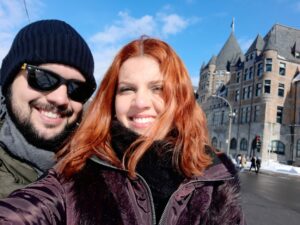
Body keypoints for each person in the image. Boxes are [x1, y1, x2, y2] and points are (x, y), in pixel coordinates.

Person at [0, 37, 245, 224]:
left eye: (157, 88)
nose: (141, 102)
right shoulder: (76, 173)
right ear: (111, 101)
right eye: (127, 89)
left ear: (180, 98)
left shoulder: (216, 180)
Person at [0, 19, 96, 198]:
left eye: (77, 89)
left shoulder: (103, 164)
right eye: (43, 77)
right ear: (9, 81)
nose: (60, 98)